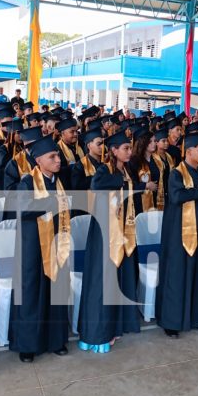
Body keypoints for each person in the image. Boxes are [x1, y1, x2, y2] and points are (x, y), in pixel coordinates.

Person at [78, 131, 140, 353]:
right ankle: (96, 333)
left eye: (130, 148)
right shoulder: (105, 170)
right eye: (124, 148)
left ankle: (114, 327)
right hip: (105, 233)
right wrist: (120, 181)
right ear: (113, 150)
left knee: (117, 281)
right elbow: (96, 185)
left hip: (122, 232)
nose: (129, 151)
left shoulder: (127, 170)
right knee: (101, 282)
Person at [9, 135, 70, 362]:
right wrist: (50, 204)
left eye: (58, 155)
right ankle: (27, 344)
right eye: (52, 157)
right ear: (38, 161)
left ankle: (55, 340)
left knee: (55, 289)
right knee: (31, 291)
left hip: (56, 242)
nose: (58, 160)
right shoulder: (27, 182)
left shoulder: (59, 181)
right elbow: (23, 210)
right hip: (32, 245)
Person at [156, 133, 198, 337]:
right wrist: (197, 191)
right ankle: (171, 322)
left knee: (197, 274)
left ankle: (194, 317)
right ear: (189, 151)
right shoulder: (176, 173)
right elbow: (177, 196)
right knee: (177, 276)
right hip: (177, 234)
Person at [128, 129, 161, 213]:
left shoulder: (157, 160)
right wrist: (145, 185)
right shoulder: (133, 162)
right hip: (140, 203)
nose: (154, 143)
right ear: (143, 143)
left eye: (155, 141)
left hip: (156, 199)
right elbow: (130, 185)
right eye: (150, 141)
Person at [56, 117, 84, 189]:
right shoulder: (57, 150)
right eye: (71, 132)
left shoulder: (82, 145)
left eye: (76, 131)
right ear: (62, 133)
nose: (75, 134)